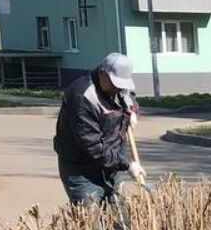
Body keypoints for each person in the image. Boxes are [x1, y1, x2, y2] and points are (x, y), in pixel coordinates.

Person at [54, 52, 145, 207]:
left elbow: (130, 98)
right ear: (102, 73)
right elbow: (94, 146)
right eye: (115, 84)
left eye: (122, 85)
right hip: (82, 171)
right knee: (92, 226)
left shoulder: (121, 88)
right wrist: (128, 166)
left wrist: (133, 112)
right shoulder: (82, 97)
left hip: (112, 168)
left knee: (121, 223)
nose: (118, 89)